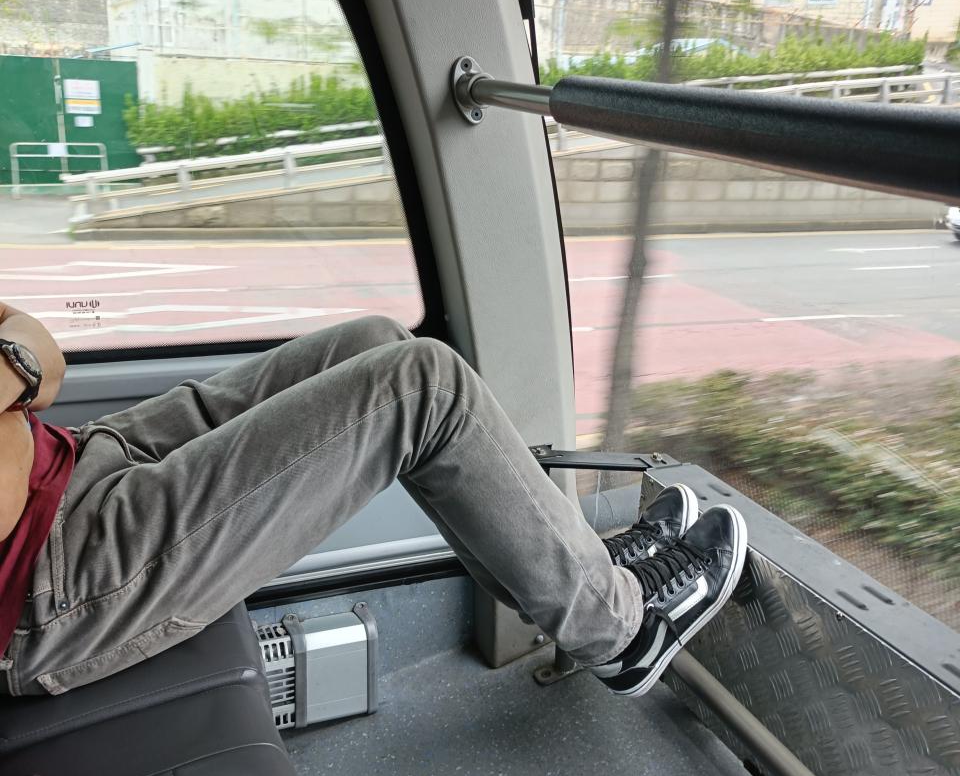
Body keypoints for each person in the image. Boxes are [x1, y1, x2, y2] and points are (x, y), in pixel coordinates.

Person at [0, 303, 747, 699]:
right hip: (53, 576)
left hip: (84, 455)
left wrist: (16, 367)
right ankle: (621, 634)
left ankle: (562, 578)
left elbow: (41, 352)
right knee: (426, 386)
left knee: (375, 339)